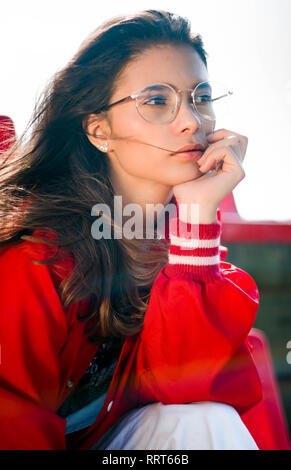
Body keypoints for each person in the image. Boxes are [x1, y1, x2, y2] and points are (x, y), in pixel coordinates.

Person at [0, 10, 262, 450]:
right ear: (99, 129)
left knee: (203, 421)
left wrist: (197, 215)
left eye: (201, 97)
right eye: (158, 101)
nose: (192, 122)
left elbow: (186, 387)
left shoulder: (182, 257)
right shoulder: (34, 259)